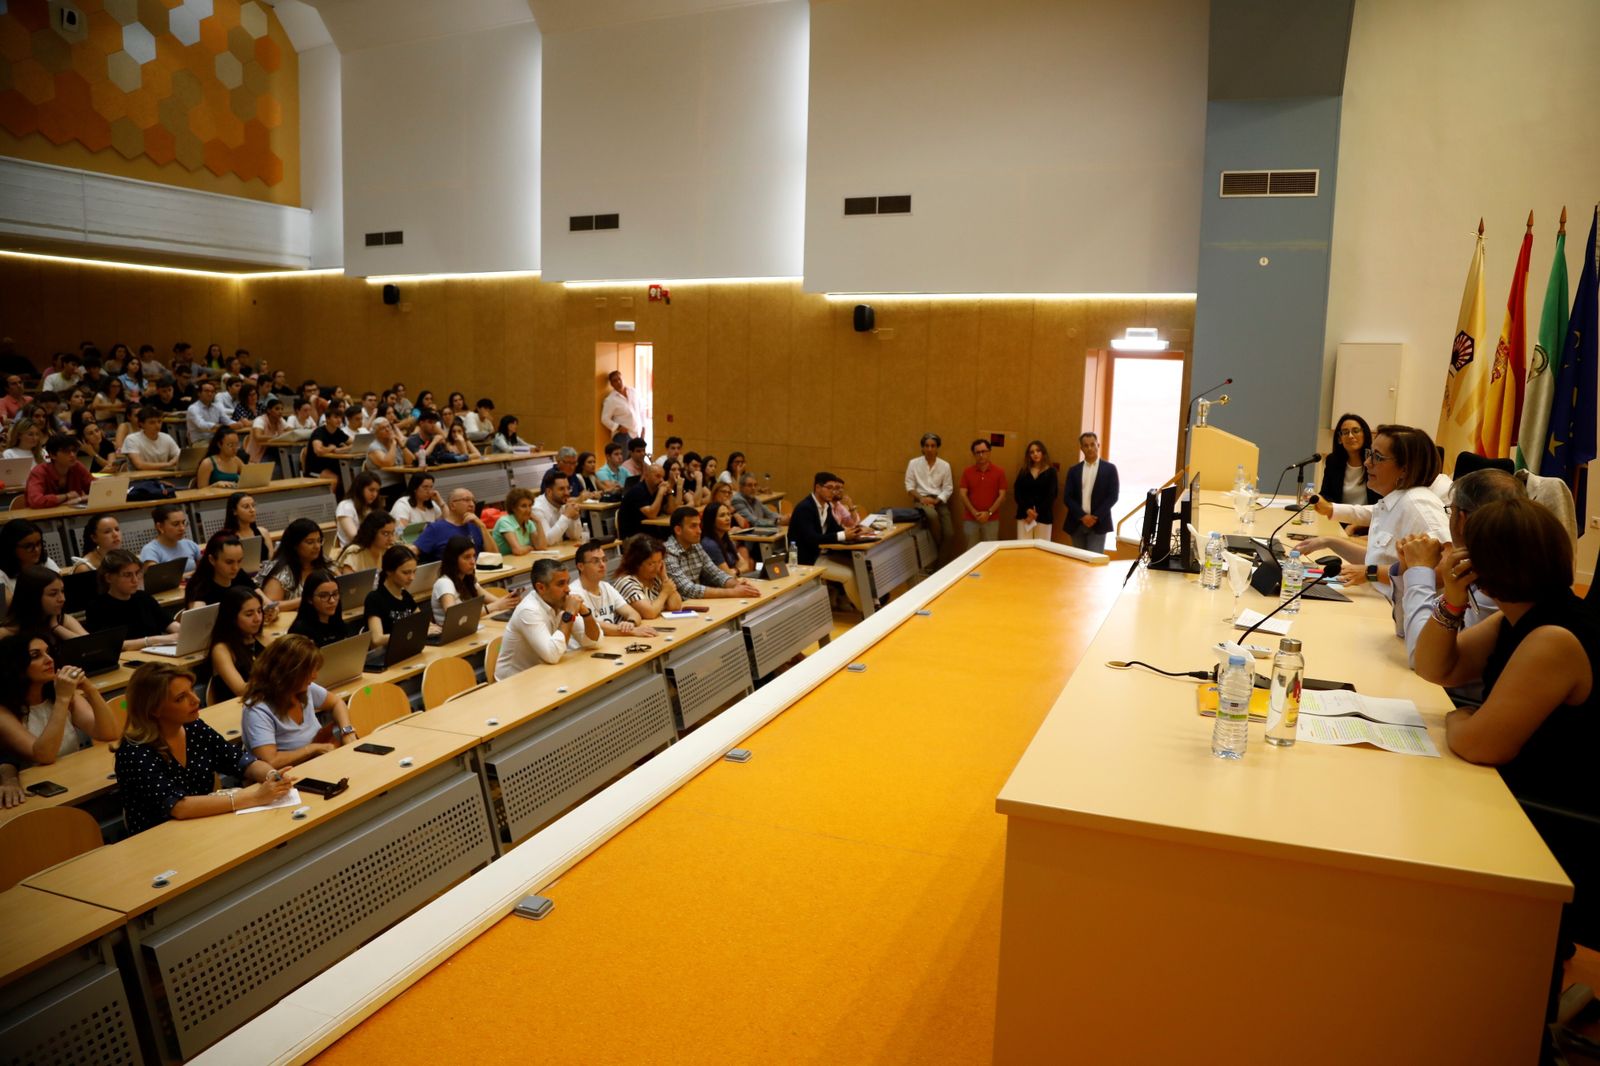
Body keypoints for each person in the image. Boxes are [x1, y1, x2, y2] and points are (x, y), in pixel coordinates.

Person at [114, 661, 293, 834]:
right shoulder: (134, 752)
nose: (195, 699)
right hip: (159, 840)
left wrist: (271, 776)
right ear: (154, 709)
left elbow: (239, 760)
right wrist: (254, 797)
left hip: (203, 825)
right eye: (181, 698)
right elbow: (178, 807)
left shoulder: (194, 727)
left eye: (191, 690)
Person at [1392, 468, 1521, 679]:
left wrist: (1420, 570)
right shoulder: (1477, 566)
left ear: (1462, 520)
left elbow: (1420, 656)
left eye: (1449, 511)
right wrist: (1408, 568)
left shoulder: (1494, 582)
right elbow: (1405, 631)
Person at [1301, 424, 1450, 587]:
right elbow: (1378, 560)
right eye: (1369, 454)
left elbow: (1445, 571)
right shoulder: (1393, 501)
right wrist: (1329, 542)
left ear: (1404, 469)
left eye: (1377, 457)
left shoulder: (1418, 504)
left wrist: (1371, 573)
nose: (1366, 462)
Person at [240, 635, 357, 769]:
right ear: (288, 672)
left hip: (318, 763)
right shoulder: (257, 709)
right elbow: (270, 761)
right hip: (288, 776)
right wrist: (311, 749)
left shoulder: (303, 688)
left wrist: (347, 731)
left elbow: (337, 703)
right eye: (308, 671)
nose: (315, 676)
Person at [0, 635, 118, 767]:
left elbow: (109, 733)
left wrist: (90, 690)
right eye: (35, 656)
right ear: (14, 665)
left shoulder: (62, 694)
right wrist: (62, 700)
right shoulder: (3, 713)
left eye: (48, 652)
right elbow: (44, 755)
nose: (49, 660)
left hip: (73, 771)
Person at [495, 558, 601, 678]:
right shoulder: (528, 610)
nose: (568, 589)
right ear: (541, 588)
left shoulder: (560, 602)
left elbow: (593, 642)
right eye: (561, 584)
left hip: (542, 674)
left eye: (568, 582)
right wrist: (569, 613)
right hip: (513, 684)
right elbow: (552, 655)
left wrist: (586, 613)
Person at [791, 470, 866, 613]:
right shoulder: (804, 508)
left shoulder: (826, 507)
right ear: (818, 488)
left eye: (835, 488)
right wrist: (843, 535)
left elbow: (835, 529)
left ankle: (870, 603)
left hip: (822, 555)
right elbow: (812, 538)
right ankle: (866, 613)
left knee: (857, 566)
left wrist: (856, 532)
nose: (833, 492)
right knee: (848, 575)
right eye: (829, 488)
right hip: (807, 559)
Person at [87, 548, 179, 651]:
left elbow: (169, 624)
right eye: (127, 575)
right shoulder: (97, 608)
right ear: (109, 578)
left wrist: (183, 631)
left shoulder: (144, 598)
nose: (135, 580)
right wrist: (155, 640)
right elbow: (112, 644)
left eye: (137, 573)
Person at [663, 507, 759, 600]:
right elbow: (687, 589)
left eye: (699, 525)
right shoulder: (668, 552)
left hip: (697, 603)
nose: (699, 531)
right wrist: (733, 592)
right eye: (693, 526)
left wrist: (737, 585)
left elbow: (716, 573)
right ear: (678, 530)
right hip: (679, 607)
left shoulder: (696, 546)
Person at [572, 539, 656, 636]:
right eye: (595, 561)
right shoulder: (574, 594)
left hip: (610, 642)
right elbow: (591, 624)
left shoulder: (606, 587)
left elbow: (634, 614)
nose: (602, 565)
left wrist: (630, 623)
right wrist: (631, 631)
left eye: (604, 560)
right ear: (581, 566)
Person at [431, 534, 518, 624]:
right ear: (453, 560)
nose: (473, 561)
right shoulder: (444, 583)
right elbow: (454, 616)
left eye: (474, 556)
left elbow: (496, 601)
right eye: (467, 557)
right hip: (451, 636)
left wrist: (510, 601)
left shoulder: (467, 579)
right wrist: (493, 607)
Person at [208, 585, 268, 703]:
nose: (258, 618)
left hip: (264, 701)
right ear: (232, 618)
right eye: (249, 614)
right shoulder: (221, 649)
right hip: (238, 708)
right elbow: (241, 690)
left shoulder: (262, 638)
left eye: (259, 611)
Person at [364, 545, 433, 648]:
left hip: (406, 648)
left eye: (414, 572)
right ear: (389, 571)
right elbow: (377, 639)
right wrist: (411, 634)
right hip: (386, 654)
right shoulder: (374, 598)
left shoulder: (406, 596)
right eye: (406, 573)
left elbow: (422, 623)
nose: (412, 578)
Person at [1, 566, 89, 645]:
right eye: (53, 594)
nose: (62, 599)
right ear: (33, 597)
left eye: (62, 591)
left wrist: (56, 628)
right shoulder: (6, 633)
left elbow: (91, 645)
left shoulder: (61, 620)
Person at [1063, 431, 1119, 553]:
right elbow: (1067, 497)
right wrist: (1083, 516)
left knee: (1094, 562)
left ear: (1098, 445)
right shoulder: (1074, 470)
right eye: (1086, 445)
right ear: (1081, 448)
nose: (1090, 448)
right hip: (1077, 522)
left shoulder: (1110, 469)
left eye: (1092, 444)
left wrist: (1095, 517)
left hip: (1098, 523)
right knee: (1078, 561)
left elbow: (1113, 496)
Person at [609, 534, 683, 619]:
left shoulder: (655, 578)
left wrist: (664, 577)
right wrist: (664, 593)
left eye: (659, 562)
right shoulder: (627, 582)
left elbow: (676, 606)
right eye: (651, 564)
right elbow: (650, 613)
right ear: (637, 564)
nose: (657, 568)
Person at [258, 518, 324, 611]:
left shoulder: (325, 564)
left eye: (319, 540)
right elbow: (271, 605)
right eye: (310, 542)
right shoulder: (280, 571)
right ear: (295, 545)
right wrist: (307, 599)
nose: (317, 546)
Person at [1320, 412, 1380, 511]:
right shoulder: (1333, 460)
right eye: (1345, 432)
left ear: (1364, 434)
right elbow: (1326, 494)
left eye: (1356, 431)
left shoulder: (1375, 462)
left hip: (1368, 521)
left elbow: (1381, 500)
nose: (1350, 436)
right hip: (1340, 519)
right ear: (1340, 438)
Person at [904, 434, 954, 551]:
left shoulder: (945, 465)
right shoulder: (913, 463)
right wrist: (922, 499)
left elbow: (948, 488)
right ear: (922, 448)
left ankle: (940, 565)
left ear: (937, 448)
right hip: (920, 499)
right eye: (926, 446)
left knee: (949, 534)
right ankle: (937, 545)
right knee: (932, 515)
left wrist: (936, 501)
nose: (929, 449)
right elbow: (909, 486)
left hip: (939, 500)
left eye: (933, 446)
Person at [413, 487, 489, 561]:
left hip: (481, 572)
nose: (472, 504)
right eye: (466, 500)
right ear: (453, 505)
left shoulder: (475, 525)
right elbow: (415, 550)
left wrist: (483, 527)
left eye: (473, 501)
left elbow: (495, 556)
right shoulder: (435, 528)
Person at [289, 570, 359, 647]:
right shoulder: (300, 632)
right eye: (323, 596)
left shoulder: (338, 623)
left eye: (335, 594)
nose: (332, 601)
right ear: (309, 599)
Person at [958, 438, 1007, 544]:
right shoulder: (967, 472)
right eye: (978, 452)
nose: (981, 455)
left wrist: (988, 513)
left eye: (983, 451)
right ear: (973, 454)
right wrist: (974, 512)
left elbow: (1002, 496)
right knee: (971, 551)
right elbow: (962, 494)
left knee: (989, 550)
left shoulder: (999, 472)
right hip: (971, 518)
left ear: (989, 452)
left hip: (992, 518)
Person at [25, 432, 92, 508]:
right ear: (52, 455)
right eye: (66, 451)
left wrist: (80, 498)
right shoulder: (39, 472)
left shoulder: (77, 466)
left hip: (73, 515)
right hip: (43, 517)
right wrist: (66, 496)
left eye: (74, 450)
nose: (72, 455)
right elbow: (36, 501)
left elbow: (98, 490)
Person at [1012, 440, 1059, 542]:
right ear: (1028, 455)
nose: (1035, 454)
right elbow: (1017, 493)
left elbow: (1051, 495)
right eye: (1032, 452)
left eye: (1038, 451)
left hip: (1043, 516)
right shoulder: (1024, 471)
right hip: (1024, 516)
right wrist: (1027, 510)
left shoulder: (1051, 472)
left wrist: (1035, 514)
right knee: (1023, 548)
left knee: (1042, 550)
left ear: (1043, 452)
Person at [137, 503, 203, 575]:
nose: (182, 528)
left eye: (183, 522)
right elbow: (156, 578)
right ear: (160, 527)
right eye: (176, 524)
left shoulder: (190, 544)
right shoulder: (150, 550)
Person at [0, 518, 59, 597]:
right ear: (11, 548)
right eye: (29, 546)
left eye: (38, 543)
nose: (37, 550)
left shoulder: (45, 562)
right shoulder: (1, 575)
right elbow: (10, 607)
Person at [617, 461, 673, 539]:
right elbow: (651, 514)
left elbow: (670, 510)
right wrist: (660, 493)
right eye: (657, 476)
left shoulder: (657, 489)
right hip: (633, 535)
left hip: (649, 531)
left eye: (663, 477)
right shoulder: (638, 490)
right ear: (646, 476)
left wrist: (670, 493)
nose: (661, 480)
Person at [533, 467, 585, 544]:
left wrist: (575, 518)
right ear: (549, 491)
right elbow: (547, 541)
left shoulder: (563, 503)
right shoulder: (537, 509)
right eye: (561, 489)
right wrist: (566, 516)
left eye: (568, 488)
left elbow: (575, 537)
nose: (567, 493)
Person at [363, 417, 411, 497]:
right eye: (383, 428)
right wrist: (393, 444)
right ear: (376, 433)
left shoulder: (397, 443)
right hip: (384, 485)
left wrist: (402, 446)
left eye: (388, 426)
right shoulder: (374, 447)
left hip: (402, 482)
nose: (387, 429)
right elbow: (388, 463)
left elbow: (410, 461)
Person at [701, 501, 752, 575]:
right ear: (711, 520)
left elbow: (745, 566)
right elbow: (727, 574)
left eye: (728, 514)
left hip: (736, 579)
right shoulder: (709, 544)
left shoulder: (726, 539)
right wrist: (737, 570)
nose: (728, 518)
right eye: (722, 515)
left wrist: (735, 571)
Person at [121, 406, 180, 470]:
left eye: (159, 421)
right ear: (141, 424)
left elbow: (180, 455)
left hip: (164, 475)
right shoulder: (131, 439)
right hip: (141, 478)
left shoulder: (166, 437)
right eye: (152, 423)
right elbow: (139, 465)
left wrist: (176, 459)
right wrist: (168, 464)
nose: (157, 425)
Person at [492, 487, 547, 555]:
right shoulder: (505, 522)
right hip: (504, 563)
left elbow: (542, 547)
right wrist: (530, 547)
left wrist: (538, 522)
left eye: (530, 505)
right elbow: (517, 550)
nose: (528, 510)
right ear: (513, 508)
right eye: (523, 506)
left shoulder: (529, 523)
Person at [305, 402, 351, 484]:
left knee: (350, 474)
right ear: (327, 419)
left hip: (332, 466)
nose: (339, 420)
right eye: (336, 417)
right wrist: (330, 448)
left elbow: (354, 443)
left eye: (340, 417)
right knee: (334, 478)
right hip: (316, 468)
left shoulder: (338, 432)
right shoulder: (319, 432)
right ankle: (333, 497)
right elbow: (318, 450)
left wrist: (341, 449)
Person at [185, 379, 242, 444]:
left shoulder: (217, 407)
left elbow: (227, 421)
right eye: (206, 391)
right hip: (199, 441)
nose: (210, 394)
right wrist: (223, 427)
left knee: (236, 445)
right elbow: (202, 425)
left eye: (212, 392)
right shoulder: (193, 408)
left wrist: (237, 423)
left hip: (216, 440)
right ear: (199, 393)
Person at [336, 471, 384, 548]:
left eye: (377, 491)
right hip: (353, 552)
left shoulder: (373, 507)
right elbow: (354, 537)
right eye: (371, 490)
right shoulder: (345, 506)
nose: (375, 494)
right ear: (360, 489)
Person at [221, 491, 275, 558]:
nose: (252, 510)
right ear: (234, 511)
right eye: (246, 507)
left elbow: (271, 561)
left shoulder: (263, 532)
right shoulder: (226, 538)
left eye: (253, 505)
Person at [600, 370, 644, 447]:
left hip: (637, 434)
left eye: (619, 379)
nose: (618, 382)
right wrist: (618, 427)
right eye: (615, 381)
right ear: (612, 384)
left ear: (623, 379)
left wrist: (643, 428)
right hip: (623, 436)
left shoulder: (633, 392)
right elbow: (604, 419)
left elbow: (641, 410)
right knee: (622, 459)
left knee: (635, 459)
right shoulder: (610, 400)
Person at [247, 396, 288, 464]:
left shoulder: (281, 420)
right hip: (259, 454)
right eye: (277, 409)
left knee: (289, 461)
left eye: (282, 409)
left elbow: (291, 432)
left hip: (275, 450)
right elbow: (258, 437)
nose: (280, 411)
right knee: (280, 466)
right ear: (269, 410)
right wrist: (277, 437)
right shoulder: (260, 420)